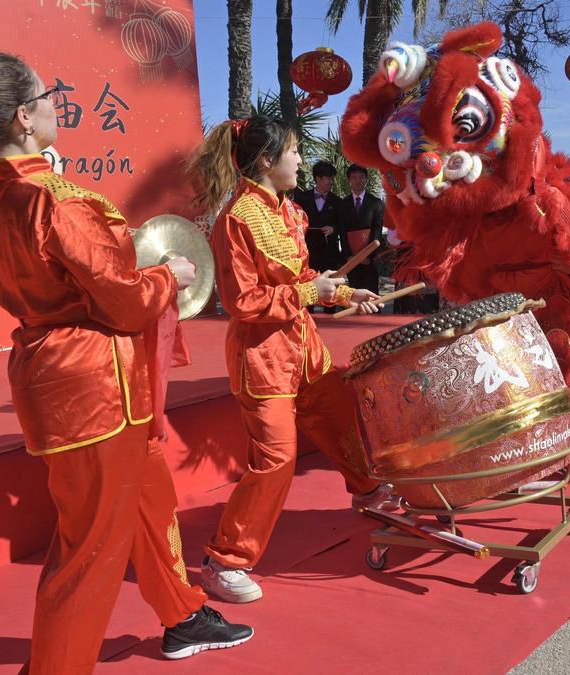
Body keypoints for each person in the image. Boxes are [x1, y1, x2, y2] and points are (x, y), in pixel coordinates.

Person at [0, 53, 251, 671]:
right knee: (90, 549)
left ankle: (181, 614)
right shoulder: (58, 200)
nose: (53, 107)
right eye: (46, 98)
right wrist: (168, 276)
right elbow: (123, 301)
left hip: (68, 379)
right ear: (23, 116)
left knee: (148, 503)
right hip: (96, 387)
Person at [190, 116, 397, 605]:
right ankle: (224, 561)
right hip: (263, 359)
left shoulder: (290, 211)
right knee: (275, 460)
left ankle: (369, 492)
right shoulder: (237, 219)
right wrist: (309, 292)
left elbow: (304, 278)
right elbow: (242, 301)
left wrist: (344, 292)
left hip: (304, 349)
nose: (302, 161)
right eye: (295, 152)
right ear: (267, 160)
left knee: (341, 418)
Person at [339, 163, 385, 293]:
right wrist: (348, 256)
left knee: (371, 293)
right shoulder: (343, 204)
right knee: (355, 292)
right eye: (354, 178)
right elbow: (342, 231)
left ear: (366, 179)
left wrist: (368, 256)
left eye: (361, 177)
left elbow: (377, 230)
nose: (358, 181)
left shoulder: (376, 202)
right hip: (351, 259)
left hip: (370, 259)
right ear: (349, 180)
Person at [292, 160, 344, 273]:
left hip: (330, 252)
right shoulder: (301, 199)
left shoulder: (338, 201)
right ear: (318, 178)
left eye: (332, 179)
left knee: (331, 282)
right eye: (329, 179)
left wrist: (333, 229)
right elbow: (293, 223)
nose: (331, 182)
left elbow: (343, 225)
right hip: (307, 251)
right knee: (307, 281)